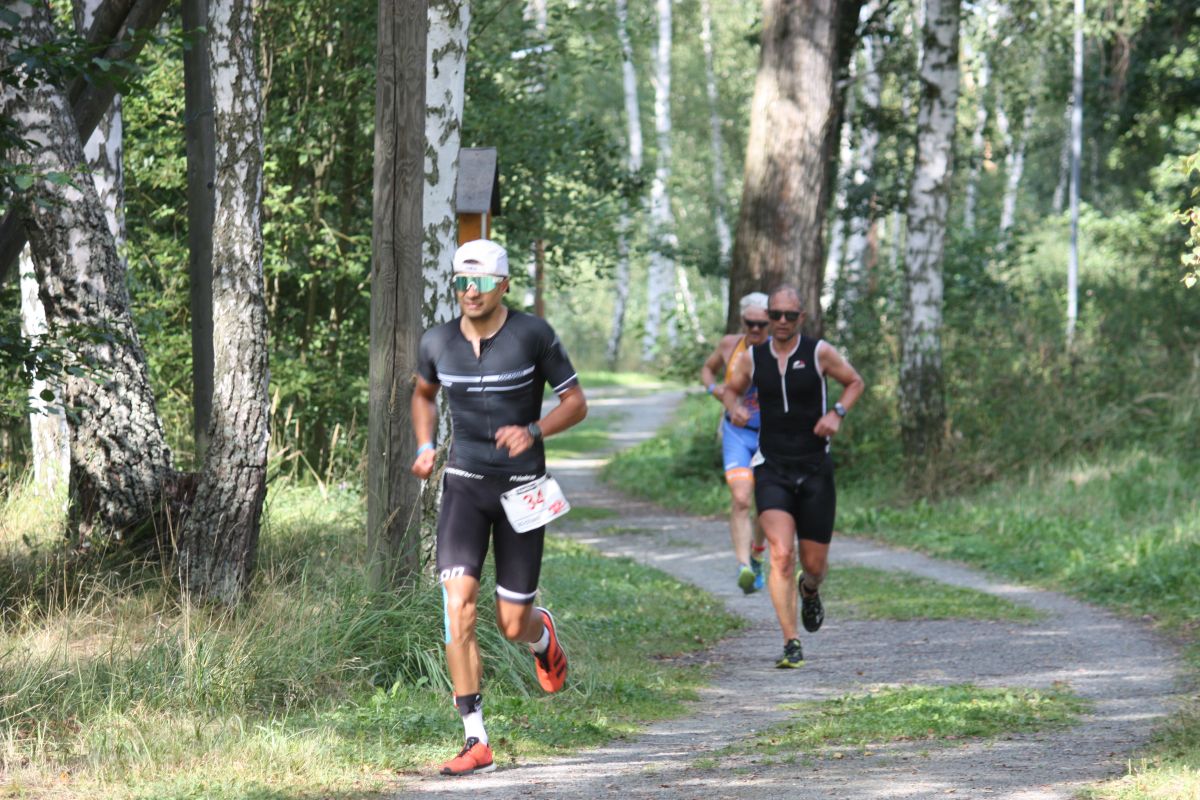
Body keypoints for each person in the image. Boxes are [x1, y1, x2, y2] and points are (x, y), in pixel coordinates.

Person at [411, 238, 588, 775]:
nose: (471, 291)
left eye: (482, 281)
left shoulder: (533, 335)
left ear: (504, 285)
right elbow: (423, 394)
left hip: (522, 490)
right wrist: (425, 445)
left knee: (511, 623)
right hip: (464, 485)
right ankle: (476, 739)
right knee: (457, 605)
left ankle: (541, 634)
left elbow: (576, 403)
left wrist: (533, 429)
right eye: (462, 281)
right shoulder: (437, 341)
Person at [721, 285, 864, 668]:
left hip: (815, 468)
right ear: (768, 317)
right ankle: (791, 641)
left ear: (801, 317)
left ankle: (809, 590)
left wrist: (836, 413)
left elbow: (855, 382)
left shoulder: (819, 352)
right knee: (782, 555)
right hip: (772, 468)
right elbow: (730, 390)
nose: (781, 322)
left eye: (789, 315)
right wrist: (734, 408)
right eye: (775, 315)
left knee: (814, 566)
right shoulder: (753, 358)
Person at [699, 292, 771, 594]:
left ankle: (757, 554)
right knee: (741, 499)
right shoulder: (730, 345)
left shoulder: (781, 350)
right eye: (749, 322)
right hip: (736, 433)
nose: (755, 329)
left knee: (766, 503)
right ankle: (743, 567)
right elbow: (707, 370)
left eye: (761, 324)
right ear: (742, 321)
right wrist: (715, 390)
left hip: (770, 435)